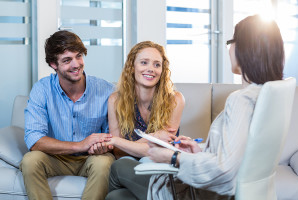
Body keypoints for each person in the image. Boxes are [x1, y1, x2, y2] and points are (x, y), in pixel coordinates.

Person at [106, 14, 285, 200]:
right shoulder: (269, 96)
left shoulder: (241, 101)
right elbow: (238, 155)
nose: (229, 49)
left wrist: (173, 158)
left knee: (119, 168)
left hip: (206, 194)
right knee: (118, 197)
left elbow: (224, 171)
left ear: (246, 48)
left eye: (231, 41)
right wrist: (199, 151)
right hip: (244, 192)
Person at [20, 30, 115, 200]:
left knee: (105, 162)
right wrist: (80, 145)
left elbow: (115, 136)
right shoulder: (42, 89)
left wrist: (104, 145)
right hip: (55, 158)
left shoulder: (106, 90)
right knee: (30, 161)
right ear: (53, 64)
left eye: (78, 56)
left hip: (91, 158)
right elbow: (34, 140)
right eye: (67, 60)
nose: (76, 64)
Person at [104, 41, 185, 199]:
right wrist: (154, 137)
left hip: (159, 164)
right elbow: (118, 152)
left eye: (157, 64)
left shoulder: (175, 100)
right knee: (118, 184)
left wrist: (117, 140)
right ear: (132, 66)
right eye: (144, 62)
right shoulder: (115, 100)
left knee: (116, 193)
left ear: (163, 70)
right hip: (127, 163)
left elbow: (161, 149)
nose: (151, 69)